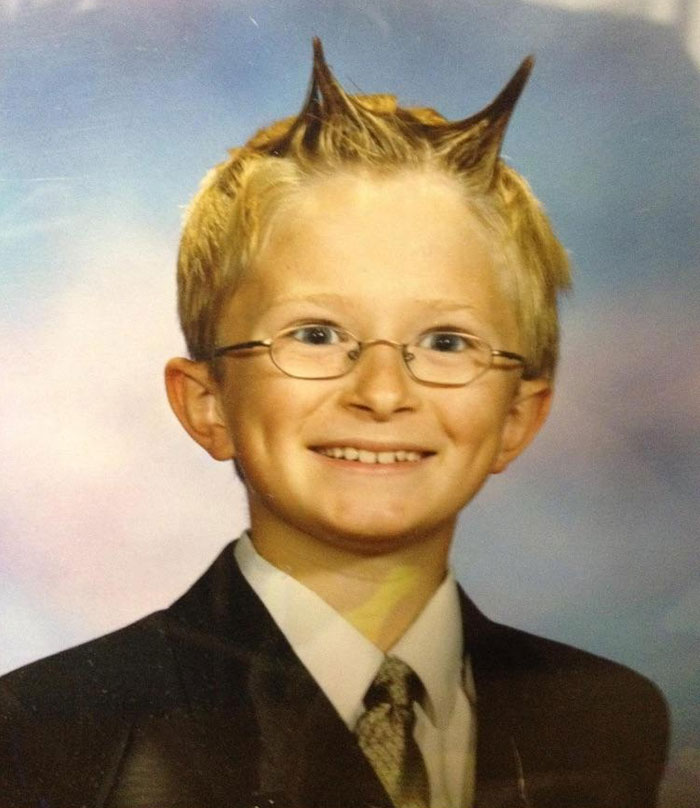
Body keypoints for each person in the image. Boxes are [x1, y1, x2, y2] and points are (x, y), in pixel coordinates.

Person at [0, 39, 668, 808]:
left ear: (518, 417)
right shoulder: (52, 737)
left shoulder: (608, 722)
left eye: (446, 342)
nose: (382, 393)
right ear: (207, 403)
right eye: (316, 334)